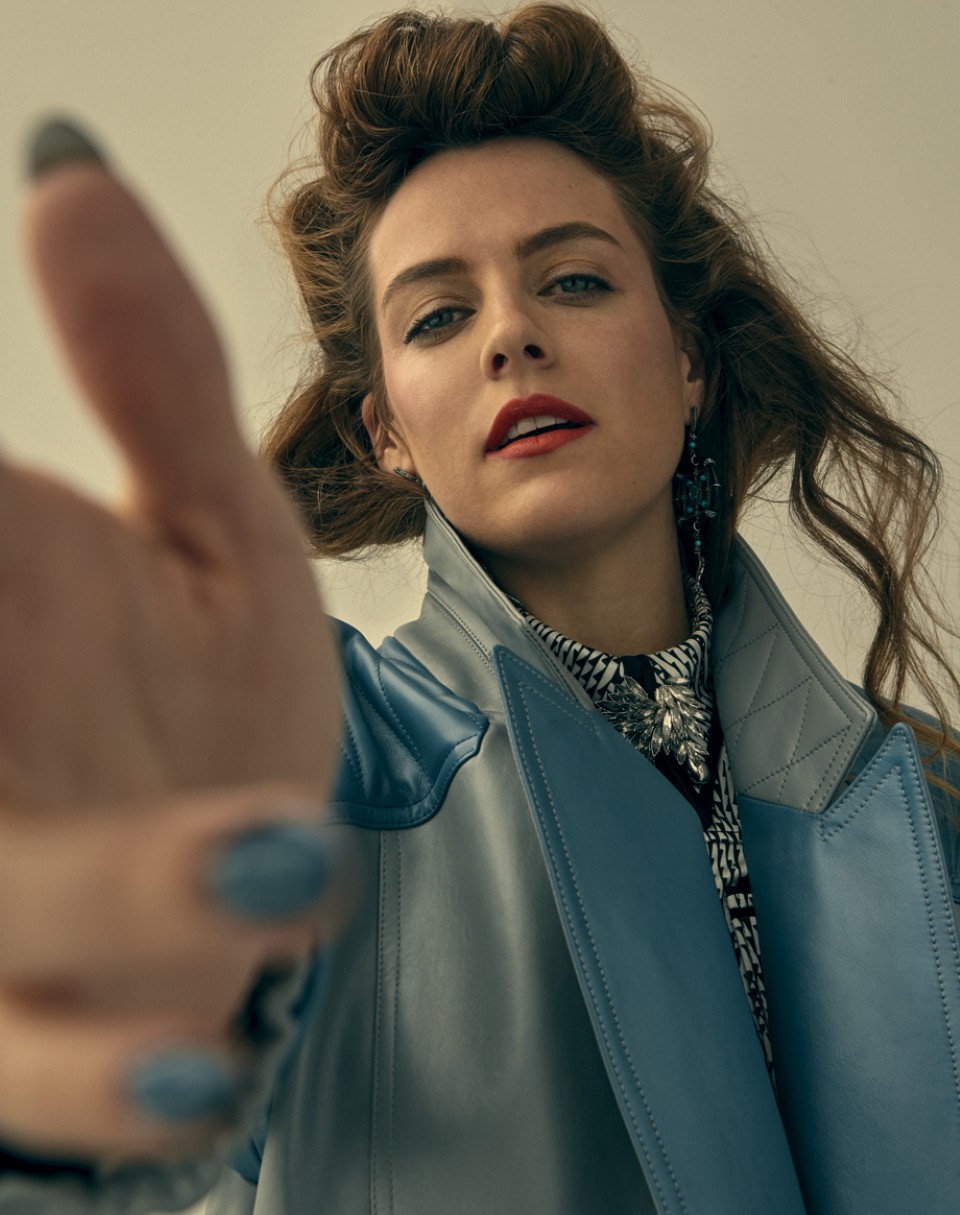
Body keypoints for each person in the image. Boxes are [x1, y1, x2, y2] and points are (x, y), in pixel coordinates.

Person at [1, 4, 958, 1214]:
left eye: (575, 280)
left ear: (688, 361)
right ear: (386, 431)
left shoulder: (925, 805)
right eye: (439, 317)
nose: (512, 334)